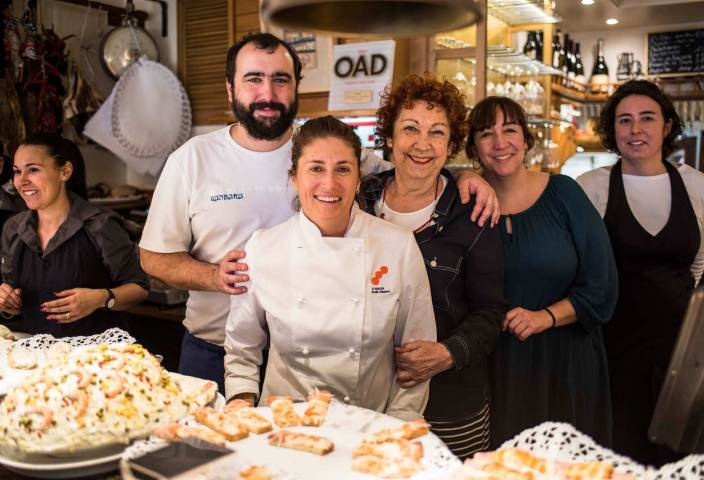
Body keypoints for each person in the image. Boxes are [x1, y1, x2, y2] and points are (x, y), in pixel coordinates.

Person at [139, 32, 499, 391]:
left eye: (280, 79)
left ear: (296, 85)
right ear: (231, 89)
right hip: (215, 351)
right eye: (253, 79)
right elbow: (153, 256)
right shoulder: (191, 160)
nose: (268, 93)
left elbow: (413, 164)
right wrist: (214, 277)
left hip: (310, 365)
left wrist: (465, 176)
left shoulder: (324, 145)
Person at [224, 116, 436, 420]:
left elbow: (418, 357)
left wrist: (396, 429)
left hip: (369, 426)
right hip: (284, 426)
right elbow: (242, 348)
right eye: (316, 169)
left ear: (359, 178)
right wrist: (241, 403)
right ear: (294, 177)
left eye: (343, 170)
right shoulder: (262, 248)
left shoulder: (398, 247)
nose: (329, 184)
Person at [359, 74, 506, 457]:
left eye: (437, 132)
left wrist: (447, 353)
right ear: (389, 138)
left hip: (451, 404)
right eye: (410, 128)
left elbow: (490, 312)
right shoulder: (359, 201)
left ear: (451, 145)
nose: (422, 144)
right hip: (367, 399)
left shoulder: (473, 214)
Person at [465, 96, 618, 448]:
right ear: (473, 146)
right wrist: (460, 176)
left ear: (526, 140)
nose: (500, 143)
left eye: (510, 130)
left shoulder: (565, 194)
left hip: (564, 362)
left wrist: (544, 318)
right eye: (486, 133)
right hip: (493, 368)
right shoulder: (464, 205)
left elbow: (603, 285)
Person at [576, 80, 704, 466]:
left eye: (647, 118)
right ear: (612, 129)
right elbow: (583, 270)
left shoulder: (695, 185)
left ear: (667, 126)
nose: (636, 129)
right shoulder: (592, 187)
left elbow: (697, 265)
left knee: (682, 452)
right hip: (614, 346)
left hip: (682, 347)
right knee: (621, 451)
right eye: (625, 120)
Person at [0, 133, 149, 336]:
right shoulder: (13, 228)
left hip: (98, 358)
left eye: (33, 169)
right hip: (38, 357)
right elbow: (16, 303)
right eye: (17, 171)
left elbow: (140, 288)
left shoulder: (101, 225)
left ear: (65, 171)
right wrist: (7, 302)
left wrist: (101, 298)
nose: (22, 180)